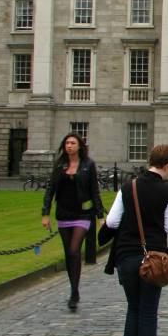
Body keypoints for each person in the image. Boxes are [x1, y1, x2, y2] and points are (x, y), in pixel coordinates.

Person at [103, 144, 168, 336]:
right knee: (148, 312)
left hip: (126, 256)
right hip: (153, 258)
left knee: (133, 309)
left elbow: (113, 222)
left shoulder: (129, 187)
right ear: (167, 166)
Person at [41, 133, 104, 310]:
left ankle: (74, 292)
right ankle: (74, 290)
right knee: (69, 254)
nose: (69, 146)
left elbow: (94, 191)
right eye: (67, 143)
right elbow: (50, 190)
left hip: (82, 214)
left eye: (73, 143)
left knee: (74, 250)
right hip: (64, 213)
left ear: (79, 146)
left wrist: (100, 216)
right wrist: (45, 214)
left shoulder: (88, 165)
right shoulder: (59, 165)